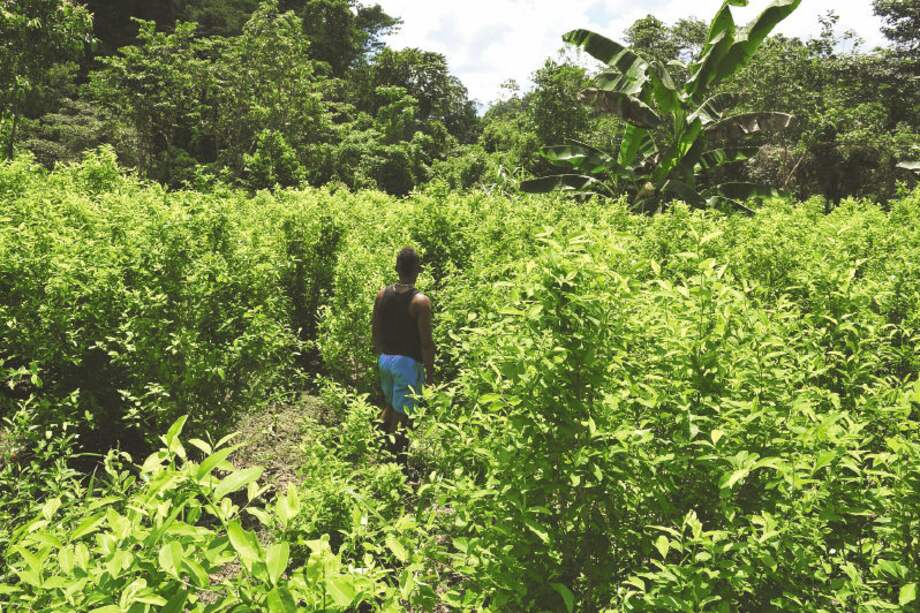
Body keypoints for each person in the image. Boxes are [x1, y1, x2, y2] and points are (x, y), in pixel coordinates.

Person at [371, 247, 435, 456]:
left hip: (385, 360)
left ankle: (375, 443)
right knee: (402, 414)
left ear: (396, 267)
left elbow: (375, 331)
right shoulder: (420, 302)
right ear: (419, 269)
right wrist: (430, 374)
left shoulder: (382, 294)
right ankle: (393, 459)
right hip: (406, 364)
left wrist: (382, 356)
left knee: (390, 404)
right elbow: (426, 342)